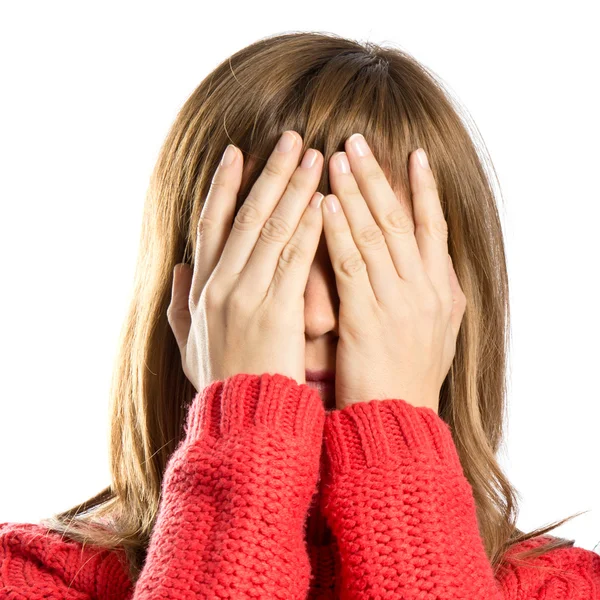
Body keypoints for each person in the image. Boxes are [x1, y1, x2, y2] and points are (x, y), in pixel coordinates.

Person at [1, 31, 597, 599]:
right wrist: (246, 437)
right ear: (184, 300)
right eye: (267, 262)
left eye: (363, 265)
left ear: (450, 306)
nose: (314, 317)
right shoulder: (25, 577)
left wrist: (400, 455)